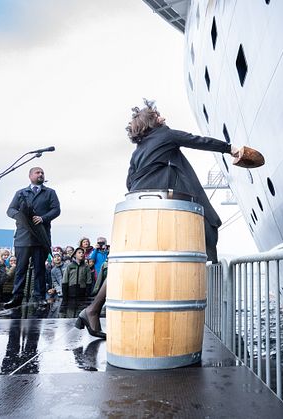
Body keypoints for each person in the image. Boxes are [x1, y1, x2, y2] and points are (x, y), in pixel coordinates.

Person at [76, 99, 240, 338]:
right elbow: (198, 141)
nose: (162, 115)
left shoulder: (139, 150)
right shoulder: (166, 136)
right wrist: (229, 148)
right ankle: (93, 309)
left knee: (130, 264)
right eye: (157, 114)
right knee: (195, 239)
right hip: (159, 209)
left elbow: (129, 181)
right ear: (151, 121)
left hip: (136, 208)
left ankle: (92, 309)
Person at [4, 167, 60, 309]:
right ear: (30, 176)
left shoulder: (50, 193)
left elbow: (56, 210)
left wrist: (43, 218)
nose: (41, 174)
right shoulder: (21, 193)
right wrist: (20, 217)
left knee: (40, 269)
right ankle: (16, 297)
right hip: (23, 237)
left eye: (42, 172)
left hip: (40, 237)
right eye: (37, 172)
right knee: (20, 269)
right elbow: (10, 210)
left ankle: (39, 297)